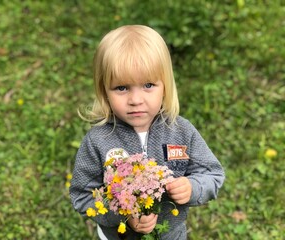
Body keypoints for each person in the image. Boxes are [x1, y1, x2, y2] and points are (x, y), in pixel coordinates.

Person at [70, 25, 225, 240]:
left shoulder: (181, 132)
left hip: (170, 235)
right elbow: (82, 195)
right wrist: (121, 213)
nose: (135, 100)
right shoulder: (98, 141)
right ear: (104, 90)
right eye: (122, 88)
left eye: (148, 85)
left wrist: (193, 187)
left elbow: (213, 174)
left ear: (165, 86)